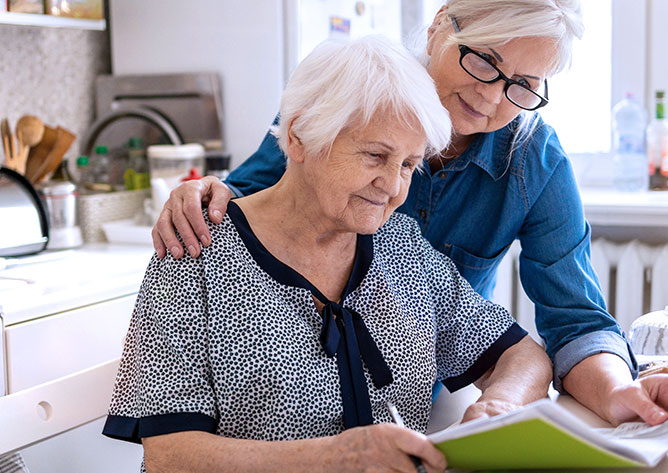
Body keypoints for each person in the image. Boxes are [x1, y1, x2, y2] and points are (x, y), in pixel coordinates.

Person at [152, 0, 668, 430]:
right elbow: (241, 207)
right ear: (440, 27)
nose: (491, 96)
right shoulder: (348, 97)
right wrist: (199, 192)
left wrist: (618, 391)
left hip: (416, 397)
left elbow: (574, 320)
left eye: (524, 86)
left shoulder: (533, 161)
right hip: (284, 397)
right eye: (484, 60)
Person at [104, 36, 551, 472]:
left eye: (409, 165)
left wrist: (499, 405)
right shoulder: (196, 252)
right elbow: (171, 457)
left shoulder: (403, 247)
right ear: (299, 137)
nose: (393, 186)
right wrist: (333, 460)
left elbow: (523, 356)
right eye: (375, 156)